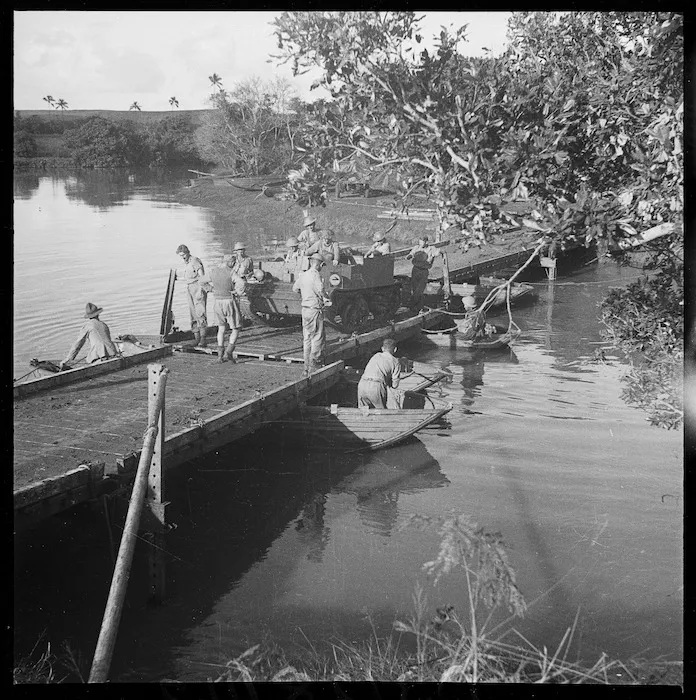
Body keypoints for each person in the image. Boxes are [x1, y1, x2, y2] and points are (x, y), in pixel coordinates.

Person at [292, 252, 332, 375]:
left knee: (307, 338)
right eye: (322, 265)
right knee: (317, 337)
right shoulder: (316, 276)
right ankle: (315, 364)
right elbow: (321, 290)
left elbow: (295, 288)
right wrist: (327, 299)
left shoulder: (303, 275)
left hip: (305, 309)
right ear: (319, 264)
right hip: (315, 310)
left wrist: (305, 295)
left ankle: (306, 367)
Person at [207, 254, 246, 363]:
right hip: (229, 301)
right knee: (236, 328)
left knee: (221, 329)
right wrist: (238, 292)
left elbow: (202, 280)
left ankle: (219, 356)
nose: (234, 265)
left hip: (217, 302)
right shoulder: (230, 272)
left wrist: (210, 289)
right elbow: (241, 282)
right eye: (233, 263)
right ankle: (228, 353)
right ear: (230, 262)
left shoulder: (213, 271)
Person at [59, 303, 120, 370]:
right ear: (98, 314)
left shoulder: (87, 326)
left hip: (99, 357)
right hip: (113, 354)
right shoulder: (104, 324)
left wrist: (67, 359)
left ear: (89, 316)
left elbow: (78, 344)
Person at [176, 243, 207, 346]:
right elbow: (188, 278)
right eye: (180, 256)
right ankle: (196, 338)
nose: (182, 257)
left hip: (197, 288)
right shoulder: (187, 263)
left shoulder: (195, 261)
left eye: (183, 255)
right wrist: (177, 278)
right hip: (189, 288)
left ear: (187, 252)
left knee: (200, 313)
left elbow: (201, 276)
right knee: (193, 313)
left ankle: (203, 339)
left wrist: (200, 290)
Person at [357, 338, 402, 409]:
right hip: (376, 387)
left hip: (362, 384)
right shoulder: (395, 362)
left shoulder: (376, 356)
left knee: (363, 412)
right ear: (395, 349)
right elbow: (395, 385)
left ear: (382, 348)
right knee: (380, 413)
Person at [406, 234, 441, 312]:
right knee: (415, 288)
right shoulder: (416, 248)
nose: (420, 243)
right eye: (419, 241)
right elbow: (411, 253)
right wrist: (409, 256)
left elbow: (438, 252)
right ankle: (417, 307)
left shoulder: (431, 248)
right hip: (415, 270)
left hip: (423, 271)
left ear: (426, 242)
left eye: (422, 242)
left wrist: (439, 252)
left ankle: (413, 305)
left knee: (420, 289)